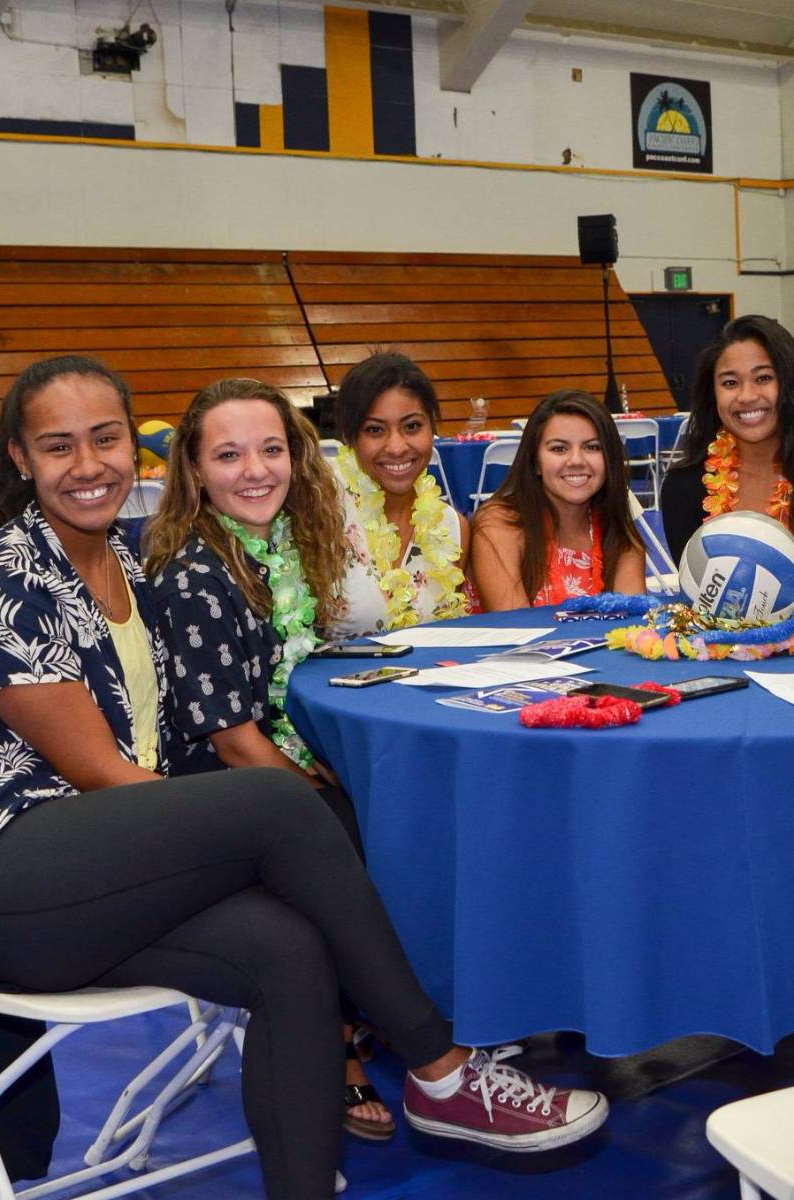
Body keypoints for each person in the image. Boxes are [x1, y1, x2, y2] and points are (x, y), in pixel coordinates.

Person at [0, 357, 607, 1200]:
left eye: (105, 439)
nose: (90, 464)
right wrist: (258, 839)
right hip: (11, 884)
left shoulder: (127, 564)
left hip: (112, 882)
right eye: (58, 447)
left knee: (289, 954)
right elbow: (101, 774)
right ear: (22, 460)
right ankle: (439, 1066)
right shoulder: (10, 577)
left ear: (136, 449)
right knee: (278, 803)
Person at [142, 377, 405, 1141]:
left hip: (264, 765)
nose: (255, 470)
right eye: (228, 455)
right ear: (194, 472)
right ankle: (340, 1045)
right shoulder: (196, 572)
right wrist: (314, 795)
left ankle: (380, 1007)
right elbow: (234, 741)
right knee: (341, 838)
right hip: (213, 795)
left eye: (271, 449)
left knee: (387, 808)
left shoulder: (281, 546)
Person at [662, 315, 794, 588]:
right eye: (730, 383)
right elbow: (700, 593)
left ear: (790, 384)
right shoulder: (684, 487)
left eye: (763, 378)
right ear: (712, 394)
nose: (747, 396)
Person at [326, 352, 472, 637]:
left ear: (433, 429)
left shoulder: (452, 529)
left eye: (412, 426)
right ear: (350, 437)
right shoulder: (322, 515)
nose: (396, 447)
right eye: (375, 430)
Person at [470, 389, 646, 610]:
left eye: (592, 447)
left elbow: (631, 630)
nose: (576, 460)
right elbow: (515, 630)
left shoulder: (620, 535)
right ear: (535, 462)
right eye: (559, 449)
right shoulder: (501, 524)